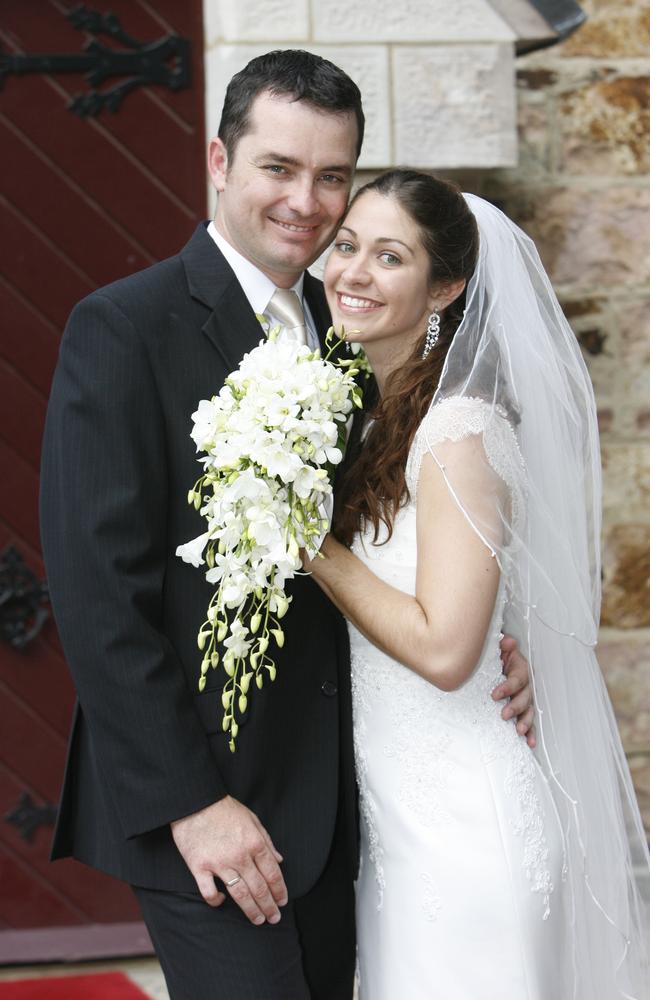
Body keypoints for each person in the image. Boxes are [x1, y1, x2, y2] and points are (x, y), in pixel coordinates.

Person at [39, 53, 533, 1000]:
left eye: (333, 176)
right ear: (220, 162)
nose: (307, 202)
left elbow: (420, 524)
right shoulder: (124, 330)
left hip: (355, 801)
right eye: (279, 167)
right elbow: (100, 597)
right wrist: (193, 805)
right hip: (210, 801)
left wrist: (496, 644)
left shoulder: (353, 324)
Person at [304, 169, 650, 999]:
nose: (352, 272)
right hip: (405, 830)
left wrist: (307, 540)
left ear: (446, 287)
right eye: (346, 245)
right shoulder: (374, 417)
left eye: (390, 256)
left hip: (465, 838)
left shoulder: (458, 428)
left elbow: (448, 647)